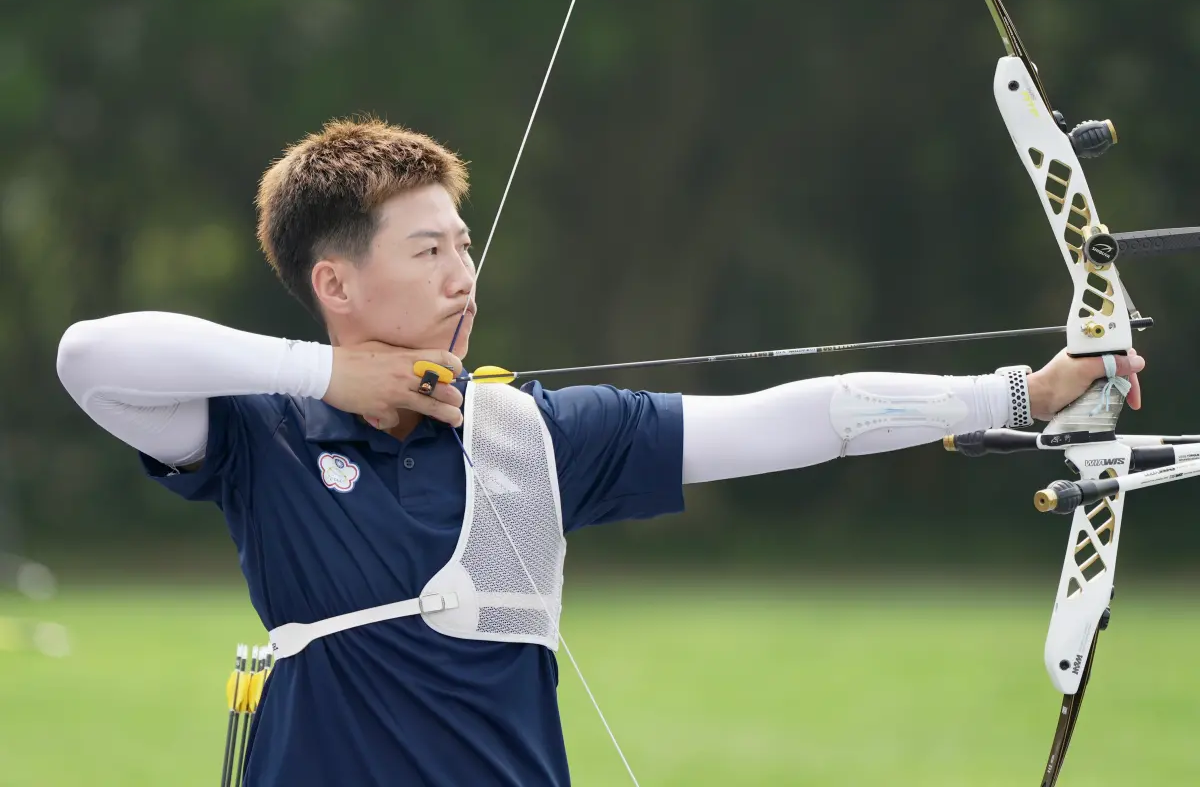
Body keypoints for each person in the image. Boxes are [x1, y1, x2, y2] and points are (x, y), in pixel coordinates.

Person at [55, 118, 1146, 787]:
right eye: (428, 249)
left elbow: (792, 418)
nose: (462, 276)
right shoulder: (261, 430)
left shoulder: (531, 433)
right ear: (334, 284)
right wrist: (329, 377)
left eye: (465, 246)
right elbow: (90, 355)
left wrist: (1025, 390)